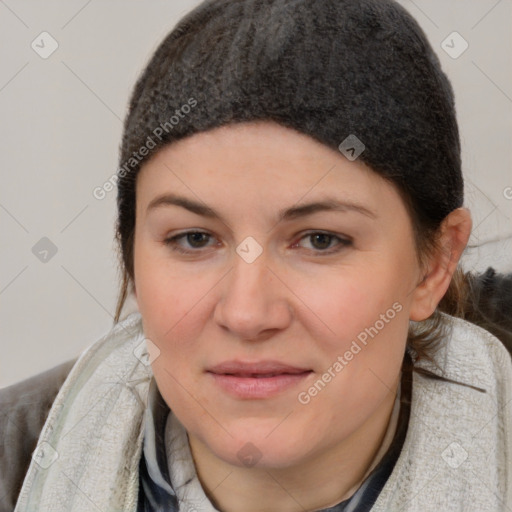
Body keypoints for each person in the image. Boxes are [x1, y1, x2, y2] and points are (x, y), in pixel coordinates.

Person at [1, 0, 511, 511]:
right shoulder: (13, 464)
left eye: (320, 240)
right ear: (131, 257)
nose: (247, 314)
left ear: (435, 264)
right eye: (194, 239)